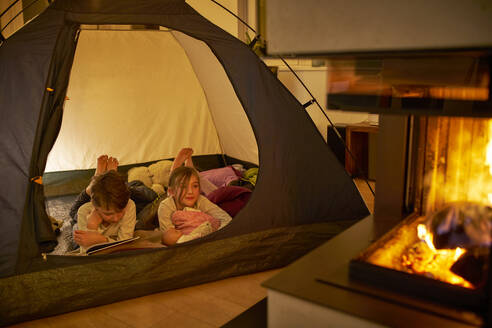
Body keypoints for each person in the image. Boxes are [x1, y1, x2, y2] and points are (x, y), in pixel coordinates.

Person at [72, 156, 136, 253]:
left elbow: (125, 245)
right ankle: (97, 181)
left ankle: (108, 177)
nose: (116, 218)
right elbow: (85, 254)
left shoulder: (129, 205)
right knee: (73, 214)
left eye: (120, 211)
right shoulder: (84, 212)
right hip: (78, 220)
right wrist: (91, 227)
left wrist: (101, 240)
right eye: (108, 214)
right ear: (95, 207)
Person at [158, 164, 232, 246]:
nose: (190, 192)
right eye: (183, 186)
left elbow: (225, 218)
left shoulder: (200, 200)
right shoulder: (166, 207)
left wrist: (217, 235)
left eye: (195, 186)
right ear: (172, 191)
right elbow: (169, 239)